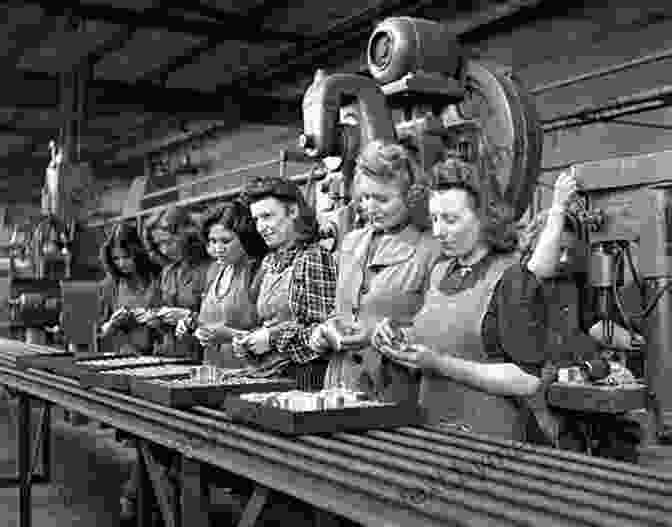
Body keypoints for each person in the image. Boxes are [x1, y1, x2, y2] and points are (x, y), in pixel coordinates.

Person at [373, 158, 548, 441]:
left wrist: (439, 364)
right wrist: (396, 337)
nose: (439, 231)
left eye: (451, 220)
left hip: (491, 439)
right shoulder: (440, 271)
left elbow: (526, 381)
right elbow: (441, 338)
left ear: (484, 219)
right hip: (434, 431)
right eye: (434, 219)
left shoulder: (513, 279)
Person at [519, 171, 644, 458]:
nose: (563, 259)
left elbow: (592, 323)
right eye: (558, 249)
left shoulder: (572, 281)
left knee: (619, 441)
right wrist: (559, 203)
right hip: (539, 390)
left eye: (569, 251)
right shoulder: (522, 282)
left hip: (577, 381)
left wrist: (635, 342)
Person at [310, 140, 441, 402]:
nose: (370, 207)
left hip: (393, 389)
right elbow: (342, 312)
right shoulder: (351, 243)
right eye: (366, 197)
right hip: (339, 383)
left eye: (382, 199)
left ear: (412, 196)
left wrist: (375, 335)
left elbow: (439, 334)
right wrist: (323, 332)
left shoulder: (432, 250)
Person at [235, 175, 337, 390]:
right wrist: (250, 341)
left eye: (267, 216)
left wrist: (272, 338)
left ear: (293, 212)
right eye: (256, 220)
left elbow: (324, 332)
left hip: (305, 380)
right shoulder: (270, 261)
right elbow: (270, 323)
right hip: (271, 374)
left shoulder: (313, 258)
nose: (261, 227)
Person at [175, 200, 268, 368]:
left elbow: (271, 335)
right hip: (212, 370)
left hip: (249, 373)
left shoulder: (258, 271)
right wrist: (191, 324)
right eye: (212, 241)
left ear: (245, 238)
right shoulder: (214, 270)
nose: (218, 248)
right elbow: (209, 319)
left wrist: (230, 335)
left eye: (226, 241)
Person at [139, 206, 211, 360]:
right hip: (172, 354)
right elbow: (160, 310)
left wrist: (189, 316)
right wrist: (156, 319)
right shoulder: (168, 272)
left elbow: (219, 319)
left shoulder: (209, 268)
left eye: (168, 242)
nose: (164, 250)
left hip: (201, 355)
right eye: (158, 245)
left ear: (186, 236)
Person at [99, 223, 162, 355]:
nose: (121, 264)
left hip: (160, 353)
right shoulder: (110, 285)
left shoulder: (158, 276)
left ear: (137, 252)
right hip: (125, 354)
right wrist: (111, 324)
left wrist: (156, 319)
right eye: (116, 258)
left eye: (126, 257)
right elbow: (101, 331)